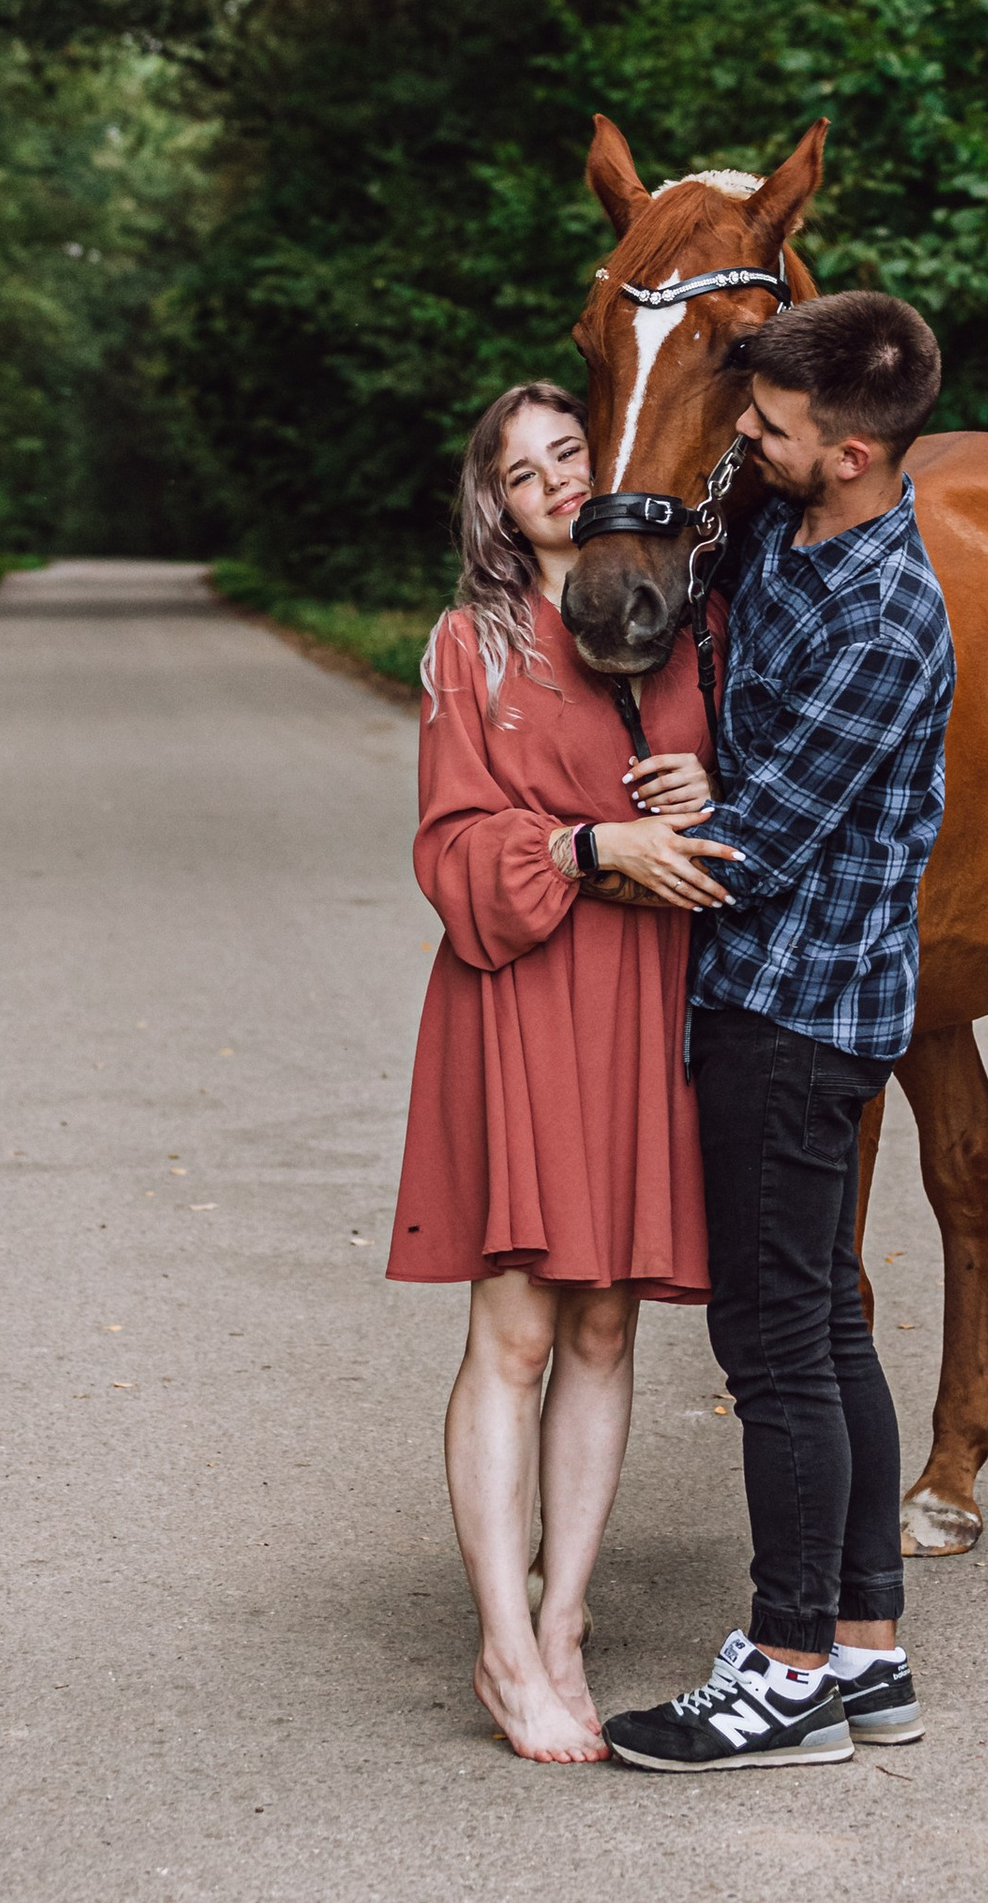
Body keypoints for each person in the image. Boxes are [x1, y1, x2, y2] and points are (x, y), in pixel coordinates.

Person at [600, 291, 957, 1773]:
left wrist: (597, 847)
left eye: (773, 431)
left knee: (774, 1345)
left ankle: (787, 1664)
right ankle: (869, 1652)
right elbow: (737, 724)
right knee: (827, 1317)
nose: (743, 445)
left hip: (795, 1008)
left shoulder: (890, 610)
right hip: (780, 990)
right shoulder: (781, 530)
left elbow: (774, 842)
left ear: (858, 455)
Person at [389, 380, 729, 1763]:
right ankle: (503, 1646)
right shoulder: (471, 645)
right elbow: (450, 853)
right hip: (523, 999)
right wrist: (590, 851)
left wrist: (701, 799)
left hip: (644, 1003)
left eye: (566, 453)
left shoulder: (670, 622)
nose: (549, 481)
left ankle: (570, 1616)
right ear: (495, 502)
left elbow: (721, 793)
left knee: (605, 1328)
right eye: (519, 470)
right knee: (517, 1336)